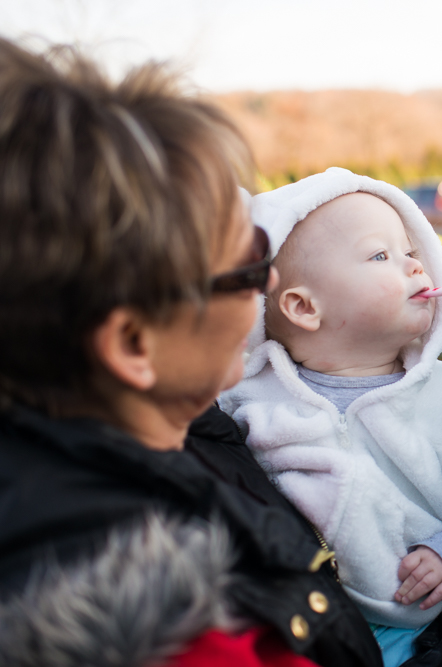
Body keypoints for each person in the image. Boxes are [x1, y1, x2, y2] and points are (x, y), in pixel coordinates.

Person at [0, 39, 384, 666]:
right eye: (247, 263)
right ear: (133, 344)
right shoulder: (192, 641)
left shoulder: (171, 441)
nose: (271, 282)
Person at [219, 168, 442, 667]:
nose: (414, 267)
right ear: (303, 306)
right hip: (290, 633)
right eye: (381, 255)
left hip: (409, 638)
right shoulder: (246, 396)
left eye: (411, 251)